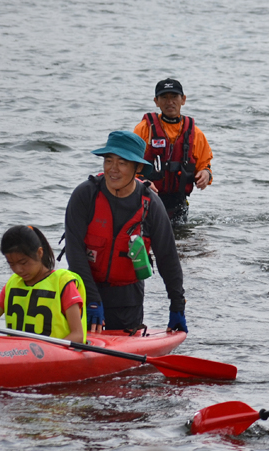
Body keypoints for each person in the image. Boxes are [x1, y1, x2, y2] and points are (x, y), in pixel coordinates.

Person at [64, 130, 188, 334]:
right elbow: (74, 251)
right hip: (83, 294)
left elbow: (168, 258)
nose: (113, 169)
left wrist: (177, 305)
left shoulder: (151, 206)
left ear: (138, 167)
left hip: (127, 302)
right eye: (108, 160)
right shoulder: (85, 195)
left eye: (122, 163)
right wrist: (92, 298)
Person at [0, 225, 86, 343]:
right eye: (11, 264)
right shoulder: (12, 284)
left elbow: (78, 335)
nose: (18, 270)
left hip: (54, 356)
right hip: (18, 355)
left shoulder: (62, 283)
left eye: (23, 262)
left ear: (39, 253)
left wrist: (47, 353)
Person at [134, 78, 214, 224]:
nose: (169, 101)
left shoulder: (195, 133)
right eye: (164, 97)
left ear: (183, 100)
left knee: (184, 244)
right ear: (156, 101)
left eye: (174, 97)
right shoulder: (144, 129)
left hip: (178, 205)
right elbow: (129, 164)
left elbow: (205, 165)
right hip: (147, 199)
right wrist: (142, 181)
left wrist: (205, 174)